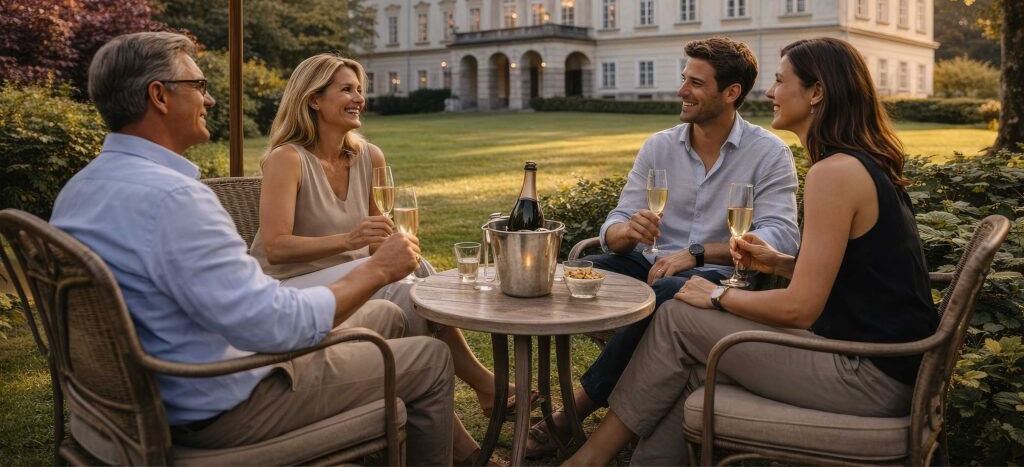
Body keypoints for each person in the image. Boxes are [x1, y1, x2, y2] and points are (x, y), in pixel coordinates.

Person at [49, 32, 454, 465]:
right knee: (430, 359)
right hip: (223, 402)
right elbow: (273, 326)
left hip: (131, 398)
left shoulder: (80, 188)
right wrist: (374, 271)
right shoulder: (176, 199)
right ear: (159, 96)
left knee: (389, 315)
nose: (209, 101)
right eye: (198, 87)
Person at [567, 37, 940, 466]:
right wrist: (779, 262)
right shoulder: (855, 163)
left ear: (816, 92)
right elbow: (859, 273)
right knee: (687, 355)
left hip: (869, 374)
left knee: (677, 316)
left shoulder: (834, 173)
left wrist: (717, 295)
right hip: (874, 362)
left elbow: (800, 308)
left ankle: (587, 456)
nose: (770, 92)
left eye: (781, 81)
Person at [528, 36, 800, 456]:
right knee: (575, 276)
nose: (681, 91)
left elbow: (780, 235)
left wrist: (696, 253)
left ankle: (577, 409)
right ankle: (604, 401)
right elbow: (615, 224)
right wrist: (628, 231)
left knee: (670, 295)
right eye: (683, 78)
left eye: (695, 82)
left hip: (721, 275)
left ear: (731, 94)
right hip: (650, 262)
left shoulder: (768, 153)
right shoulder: (659, 145)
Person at [249, 53, 531, 452]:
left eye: (360, 89)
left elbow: (376, 239)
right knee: (404, 291)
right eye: (346, 89)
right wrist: (350, 240)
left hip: (352, 274)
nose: (358, 98)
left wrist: (386, 246)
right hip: (291, 287)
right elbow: (276, 248)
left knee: (417, 268)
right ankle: (482, 394)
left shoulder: (369, 156)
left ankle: (460, 430)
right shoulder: (287, 159)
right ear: (314, 99)